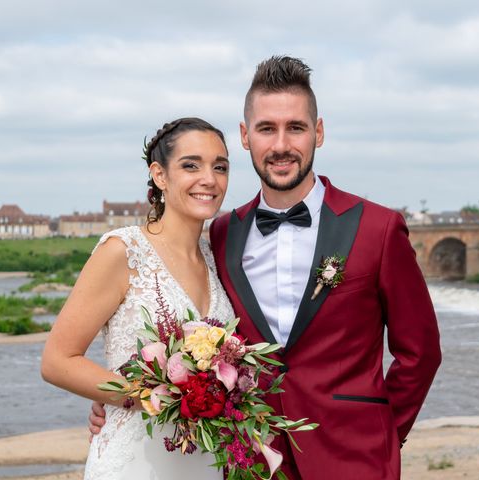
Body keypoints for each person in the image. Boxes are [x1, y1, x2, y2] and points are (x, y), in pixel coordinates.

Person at [90, 56, 441, 479]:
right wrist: (127, 394)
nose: (280, 145)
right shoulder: (220, 236)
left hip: (356, 458)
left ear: (319, 132)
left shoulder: (379, 229)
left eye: (295, 127)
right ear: (245, 136)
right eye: (266, 129)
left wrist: (383, 432)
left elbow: (420, 353)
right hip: (249, 459)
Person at [41, 117, 234, 480]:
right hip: (135, 462)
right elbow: (57, 360)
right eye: (191, 165)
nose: (209, 178)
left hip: (203, 461)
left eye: (220, 167)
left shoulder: (215, 258)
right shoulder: (123, 250)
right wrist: (148, 395)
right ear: (160, 175)